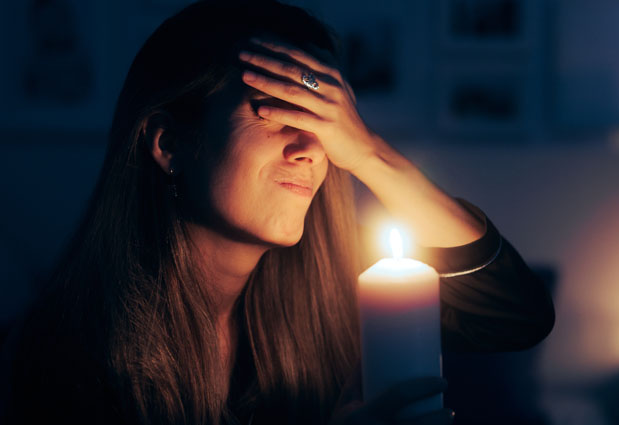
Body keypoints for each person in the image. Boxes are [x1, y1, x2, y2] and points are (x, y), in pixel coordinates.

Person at [0, 1, 554, 424]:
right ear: (169, 145)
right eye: (278, 113)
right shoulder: (66, 355)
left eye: (324, 125)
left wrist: (369, 153)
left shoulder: (344, 293)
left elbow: (517, 316)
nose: (311, 150)